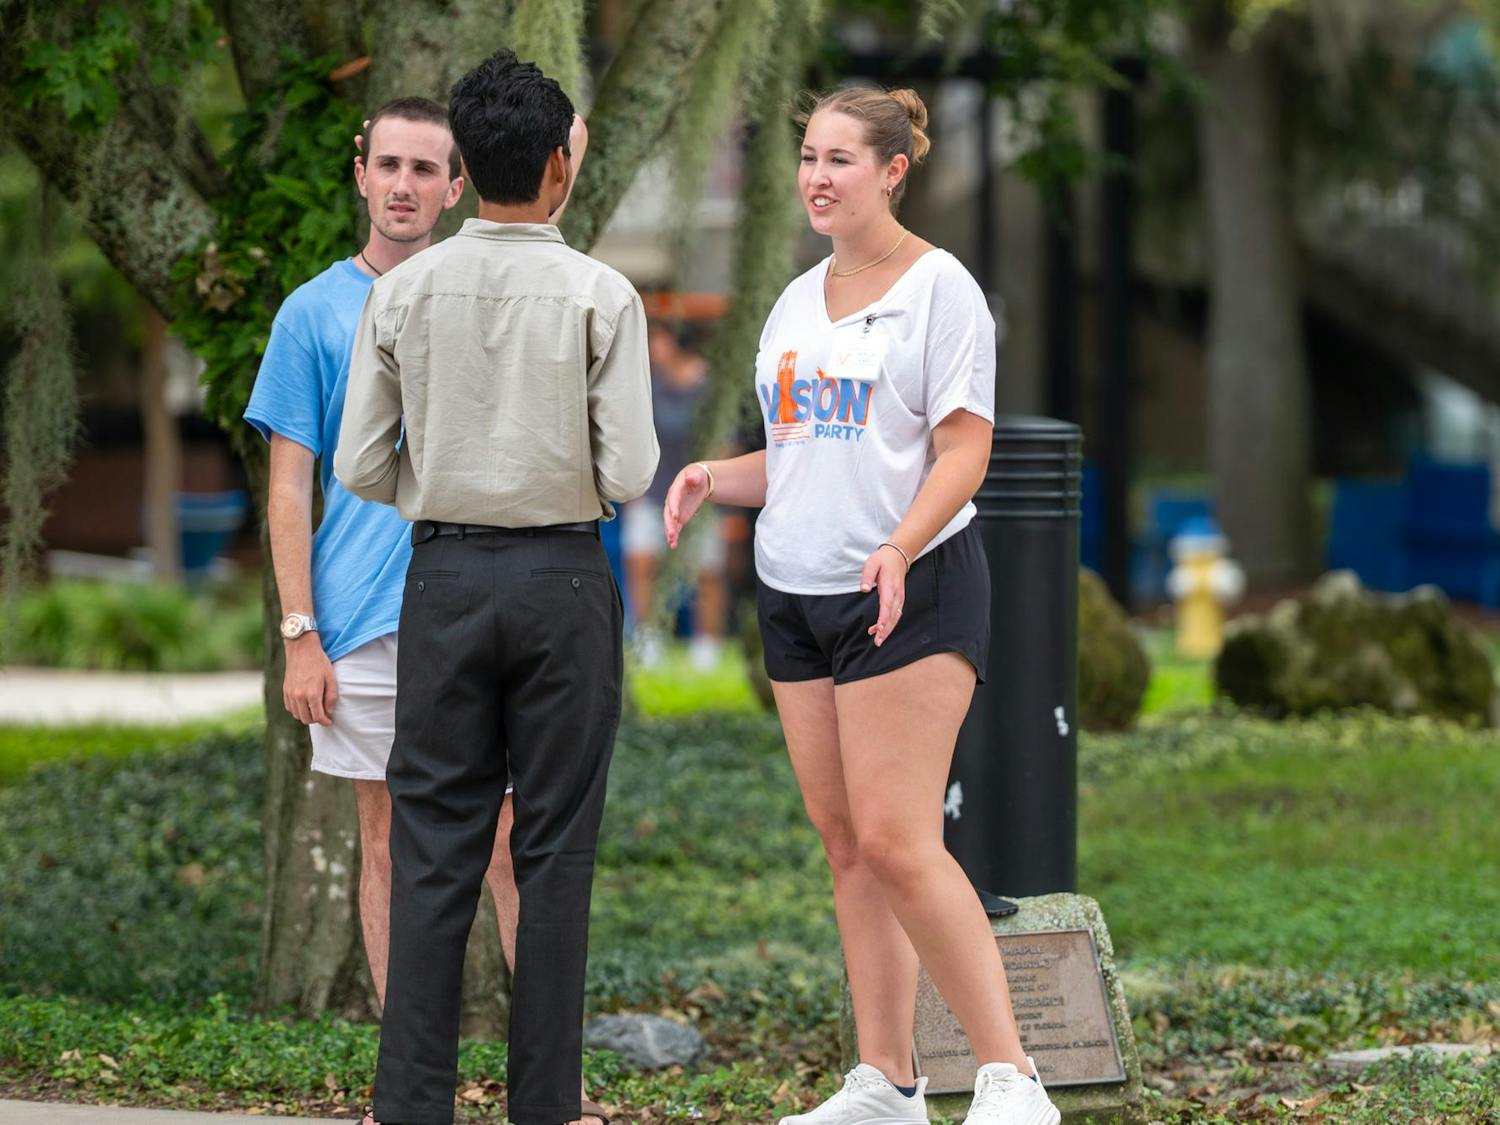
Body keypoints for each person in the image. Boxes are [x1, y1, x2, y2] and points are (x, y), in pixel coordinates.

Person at [662, 87, 1061, 1125]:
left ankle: (1014, 1079)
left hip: (909, 586)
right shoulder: (795, 301)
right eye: (808, 157)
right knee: (846, 844)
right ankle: (886, 1085)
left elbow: (963, 449)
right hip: (796, 598)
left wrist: (897, 546)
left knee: (897, 838)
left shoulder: (941, 289)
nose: (817, 177)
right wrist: (714, 476)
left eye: (840, 159)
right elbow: (803, 455)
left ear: (893, 171)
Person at [245, 94, 609, 1125]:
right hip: (363, 621)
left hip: (488, 600)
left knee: (511, 843)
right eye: (388, 165)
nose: (403, 185)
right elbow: (289, 486)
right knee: (391, 842)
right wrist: (300, 632)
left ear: (460, 185)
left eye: (425, 169)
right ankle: (405, 1091)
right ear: (361, 174)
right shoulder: (312, 313)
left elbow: (556, 174)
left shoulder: (495, 285)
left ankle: (556, 1089)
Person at [336, 49, 656, 1125]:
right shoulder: (603, 294)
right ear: (561, 164)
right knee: (553, 851)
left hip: (446, 576)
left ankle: (409, 1106)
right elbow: (630, 471)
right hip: (564, 577)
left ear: (462, 167)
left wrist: (441, 482)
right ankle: (546, 1107)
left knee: (432, 844)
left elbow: (359, 465)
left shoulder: (403, 291)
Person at [621, 319, 728, 668]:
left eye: (656, 340)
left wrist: (716, 491)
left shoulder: (708, 385)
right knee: (641, 564)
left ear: (673, 341)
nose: (650, 349)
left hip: (701, 497)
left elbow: (724, 441)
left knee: (707, 573)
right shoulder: (649, 386)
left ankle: (707, 648)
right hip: (653, 494)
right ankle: (649, 641)